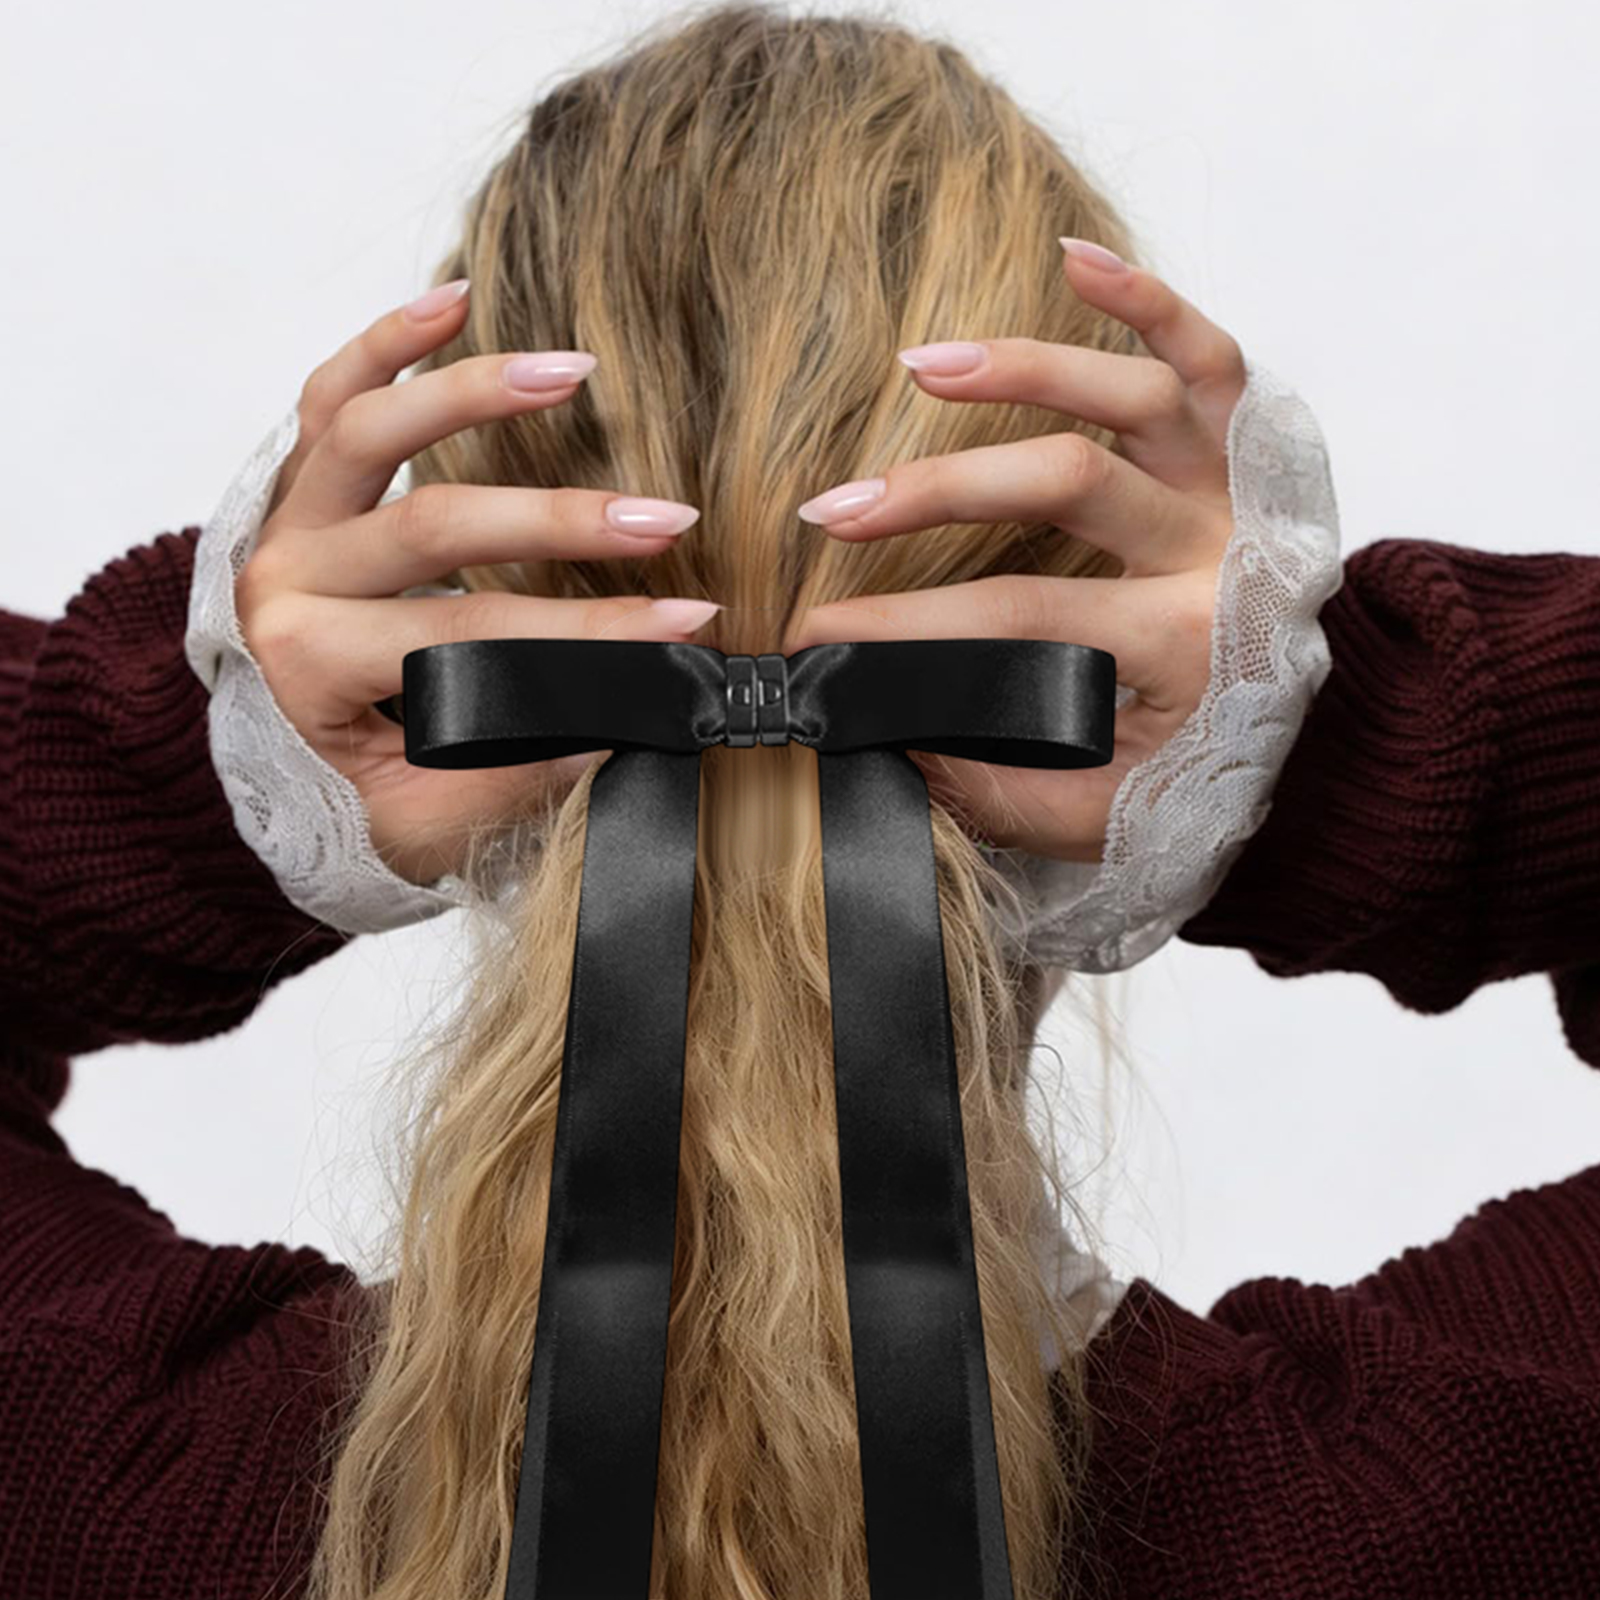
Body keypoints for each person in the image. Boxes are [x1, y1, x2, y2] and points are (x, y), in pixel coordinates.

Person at [2, 5, 1597, 1598]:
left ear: (448, 634)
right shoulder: (1466, 1486)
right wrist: (1341, 744)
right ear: (1102, 637)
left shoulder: (96, 1468)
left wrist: (180, 773)